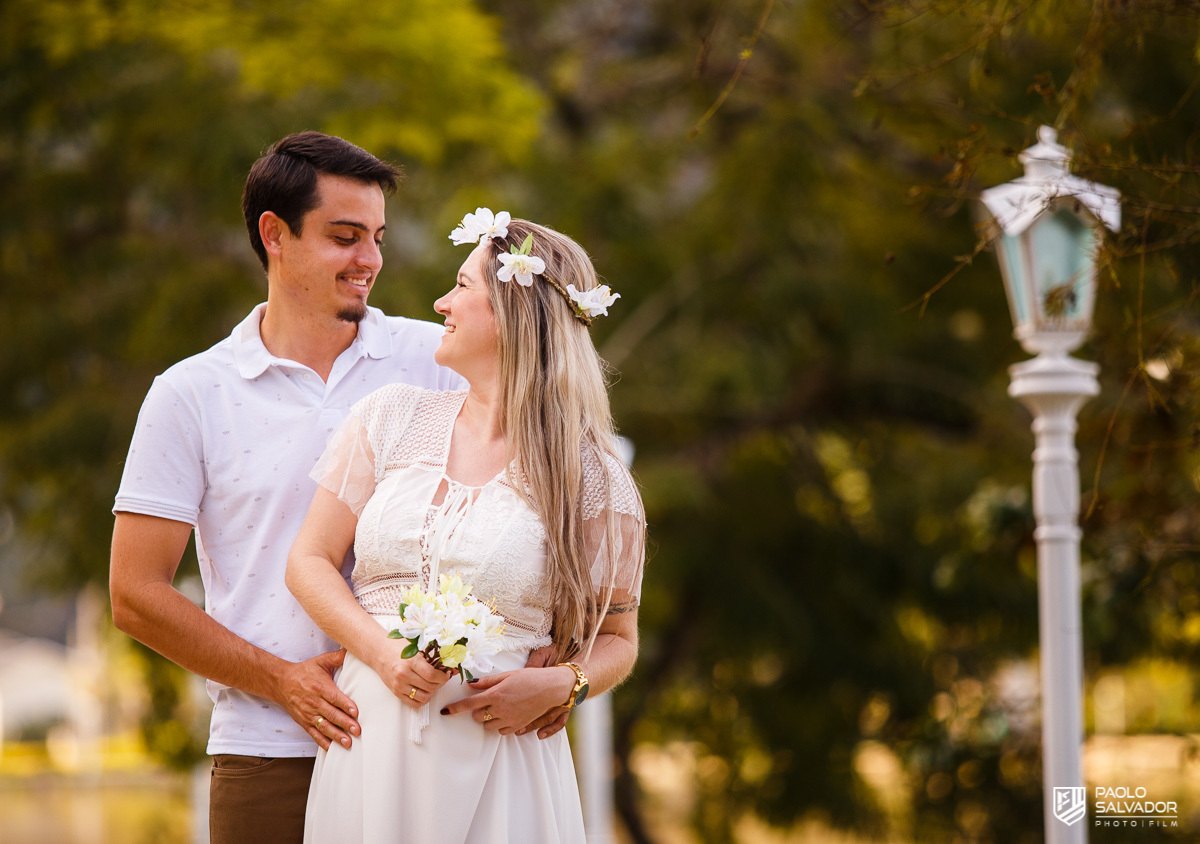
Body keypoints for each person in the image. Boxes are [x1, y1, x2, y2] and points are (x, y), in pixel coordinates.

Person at [109, 131, 468, 843]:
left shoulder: (435, 360)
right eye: (344, 237)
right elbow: (135, 595)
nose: (370, 260)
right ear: (275, 234)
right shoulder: (190, 394)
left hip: (423, 738)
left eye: (376, 238)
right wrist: (281, 680)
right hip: (267, 751)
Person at [286, 210, 646, 843]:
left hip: (506, 757)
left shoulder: (593, 478)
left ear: (512, 315)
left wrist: (564, 684)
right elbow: (308, 562)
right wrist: (381, 656)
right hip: (374, 738)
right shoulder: (389, 418)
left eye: (461, 285)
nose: (440, 302)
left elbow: (618, 636)